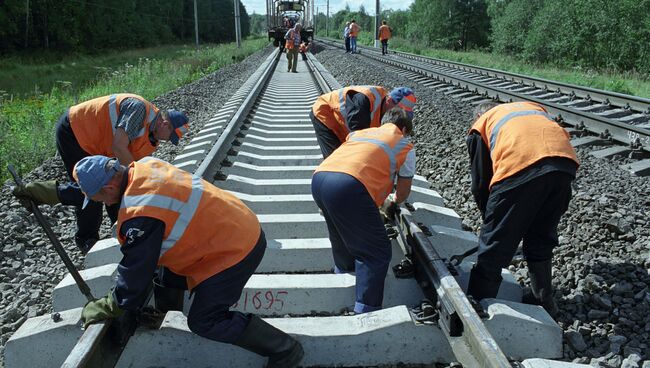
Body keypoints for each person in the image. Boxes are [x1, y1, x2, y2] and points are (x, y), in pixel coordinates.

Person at [74, 155, 304, 368]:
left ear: (109, 187)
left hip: (234, 251)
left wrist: (111, 304)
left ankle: (285, 350)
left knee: (204, 321)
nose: (100, 203)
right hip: (236, 225)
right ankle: (163, 313)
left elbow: (136, 268)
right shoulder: (144, 166)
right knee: (164, 269)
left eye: (98, 198)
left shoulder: (141, 210)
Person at [12, 93, 189, 253]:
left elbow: (124, 172)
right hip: (76, 131)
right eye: (171, 136)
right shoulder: (138, 110)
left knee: (115, 186)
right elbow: (119, 147)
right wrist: (137, 181)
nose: (168, 141)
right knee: (92, 189)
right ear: (165, 124)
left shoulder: (151, 138)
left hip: (98, 144)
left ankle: (120, 231)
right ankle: (86, 240)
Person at [465, 101, 579, 318]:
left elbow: (480, 184)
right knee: (541, 236)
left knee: (494, 246)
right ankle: (544, 301)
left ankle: (477, 304)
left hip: (521, 165)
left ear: (479, 114)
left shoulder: (481, 125)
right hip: (564, 165)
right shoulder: (530, 109)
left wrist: (492, 223)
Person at [311, 108, 416, 314]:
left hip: (319, 178)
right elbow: (403, 191)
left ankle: (343, 272)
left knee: (340, 233)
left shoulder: (361, 133)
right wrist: (393, 200)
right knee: (376, 252)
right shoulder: (404, 144)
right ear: (403, 128)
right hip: (348, 185)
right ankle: (366, 309)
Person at [310, 86, 416, 158]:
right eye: (398, 110)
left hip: (343, 123)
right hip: (325, 114)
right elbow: (358, 137)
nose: (398, 115)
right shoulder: (365, 100)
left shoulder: (387, 111)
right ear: (389, 100)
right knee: (335, 158)